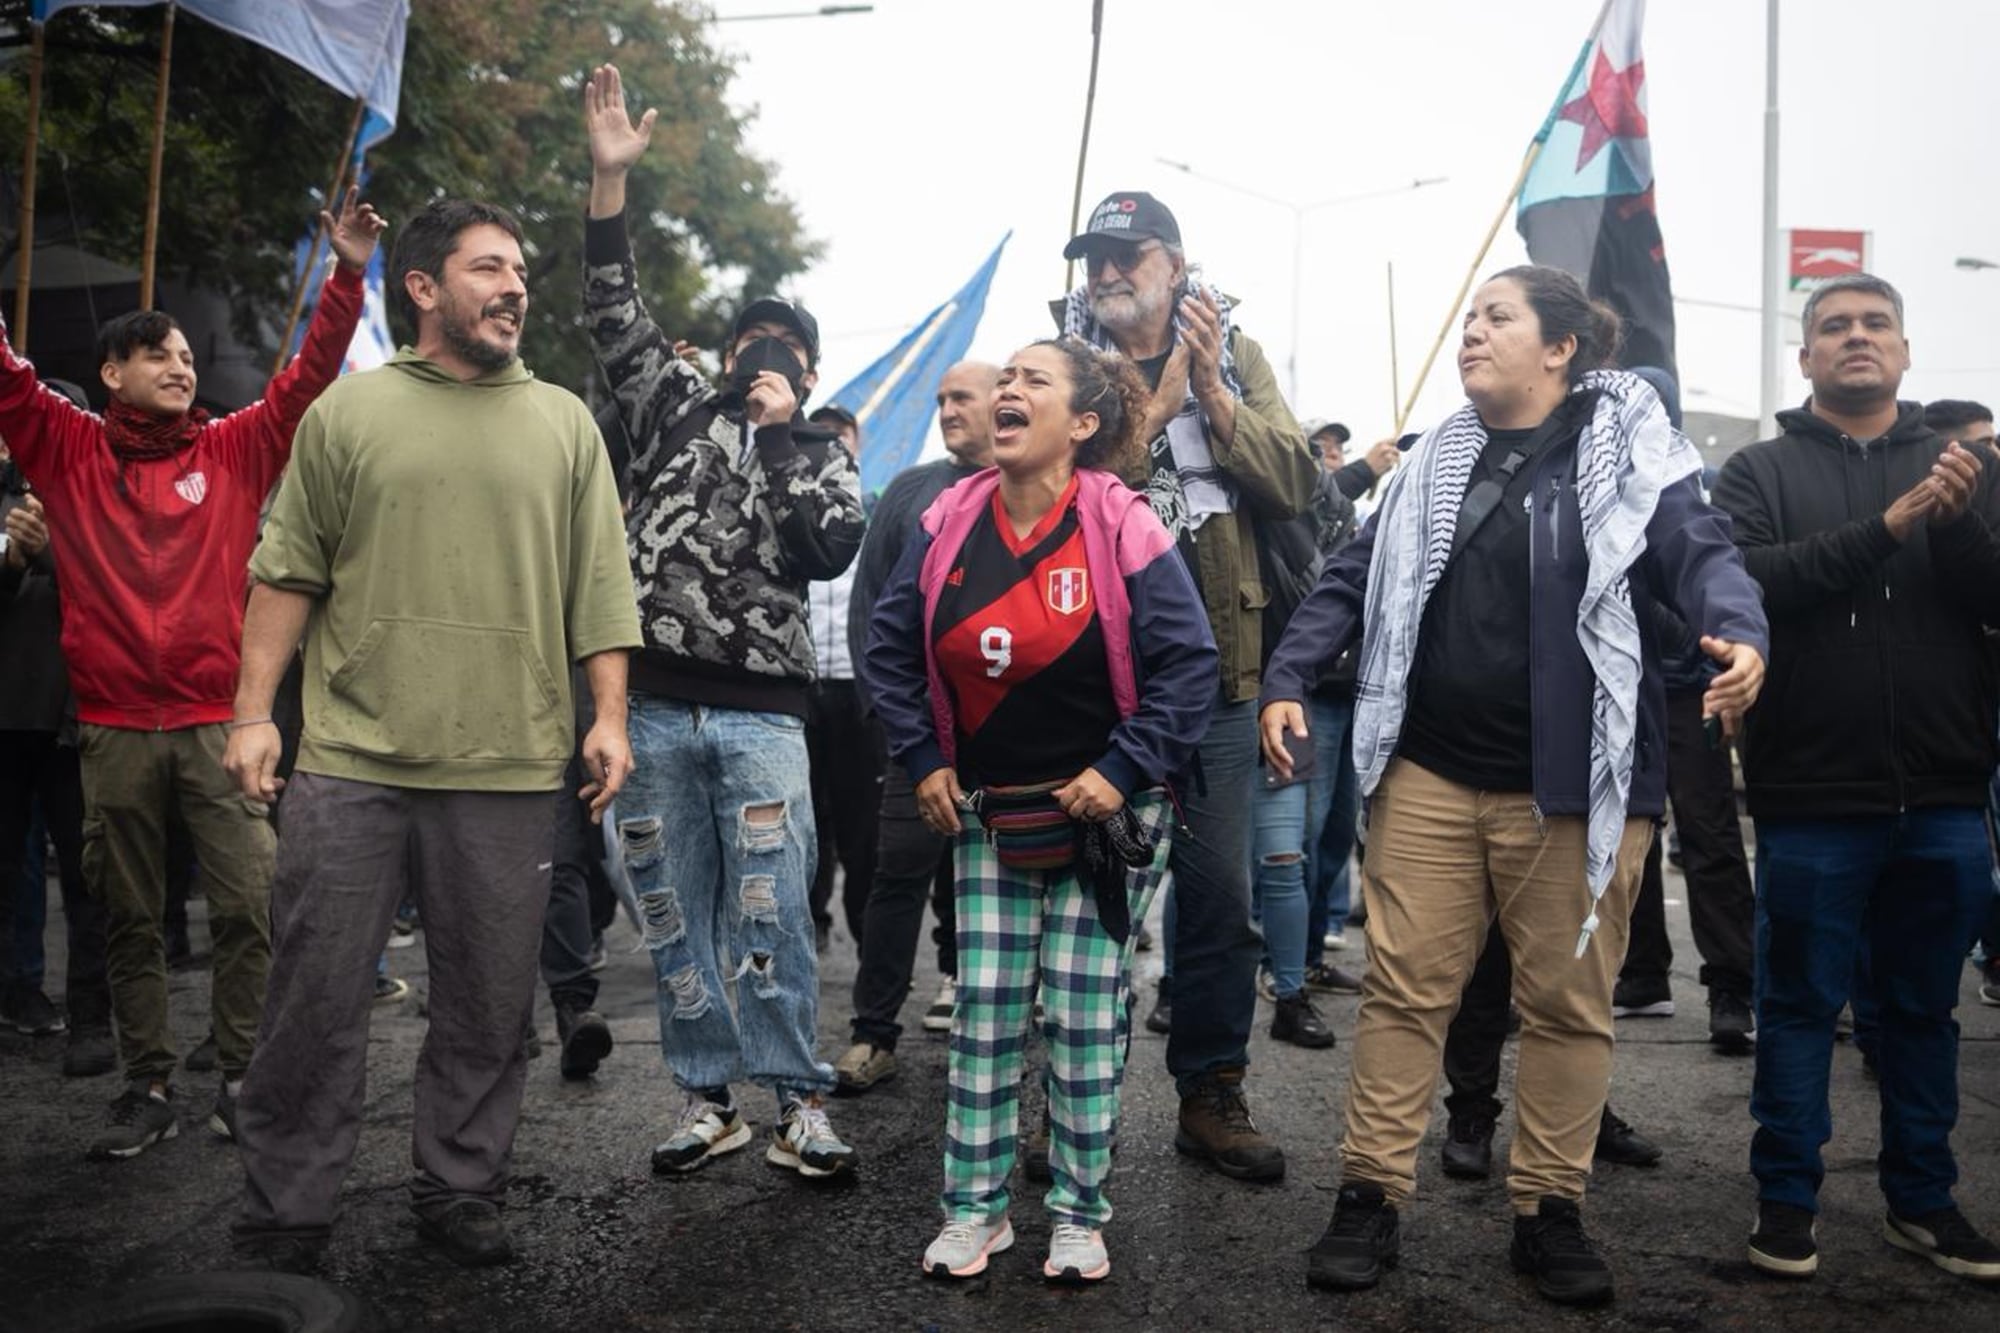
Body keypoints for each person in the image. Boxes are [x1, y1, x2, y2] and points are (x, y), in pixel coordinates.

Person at [1261, 265, 1767, 1307]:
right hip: (1428, 779)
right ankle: (1368, 1198)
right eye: (1470, 319)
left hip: (1576, 790)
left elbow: (1699, 554)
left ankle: (1549, 1210)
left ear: (1560, 347)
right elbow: (1349, 581)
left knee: (1567, 1007)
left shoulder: (1632, 457)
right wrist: (1285, 676)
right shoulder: (1429, 463)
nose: (1471, 334)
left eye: (1498, 318)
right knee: (1403, 996)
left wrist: (1740, 631)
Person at [223, 197, 641, 1271]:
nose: (514, 289)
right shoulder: (348, 414)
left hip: (508, 765)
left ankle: (459, 1186)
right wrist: (251, 714)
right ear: (422, 286)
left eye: (520, 274)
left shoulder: (561, 422)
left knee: (488, 1002)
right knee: (312, 996)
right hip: (349, 759)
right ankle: (286, 1208)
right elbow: (286, 573)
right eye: (489, 269)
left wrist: (607, 716)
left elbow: (598, 587)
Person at [0, 189, 381, 1160]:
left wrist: (344, 273)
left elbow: (305, 381)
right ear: (110, 371)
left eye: (185, 353)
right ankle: (148, 1083)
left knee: (253, 903)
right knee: (127, 916)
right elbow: (5, 379)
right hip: (115, 729)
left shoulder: (234, 446)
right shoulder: (66, 447)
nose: (181, 364)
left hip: (222, 724)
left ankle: (242, 1072)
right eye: (157, 353)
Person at [865, 336, 1217, 1285]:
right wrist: (925, 758)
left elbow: (1189, 667)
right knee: (983, 1013)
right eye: (1004, 379)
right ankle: (974, 1213)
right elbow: (889, 647)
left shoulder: (1122, 523)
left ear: (1084, 424)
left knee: (1079, 1010)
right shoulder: (949, 519)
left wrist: (1125, 764)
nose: (1009, 390)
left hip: (1106, 816)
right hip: (990, 814)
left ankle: (1076, 1212)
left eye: (1034, 381)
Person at [584, 65, 864, 1181]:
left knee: (771, 906)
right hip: (649, 702)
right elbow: (611, 312)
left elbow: (828, 547)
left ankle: (798, 1097)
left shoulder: (821, 456)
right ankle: (708, 1098)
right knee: (665, 907)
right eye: (751, 339)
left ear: (807, 371)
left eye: (784, 349)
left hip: (760, 716)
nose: (763, 355)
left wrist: (787, 435)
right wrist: (610, 186)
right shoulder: (669, 407)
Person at [1712, 275, 2000, 1284]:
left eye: (1873, 323)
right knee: (1795, 1007)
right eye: (1832, 327)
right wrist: (1887, 524)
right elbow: (1753, 581)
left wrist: (1953, 521)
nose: (1854, 338)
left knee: (1923, 1014)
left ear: (1905, 350)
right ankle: (1784, 1203)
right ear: (1803, 359)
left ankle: (1920, 1201)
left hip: (1944, 798)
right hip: (1808, 800)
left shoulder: (1966, 465)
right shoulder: (1755, 468)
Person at [1059, 190, 1317, 1182]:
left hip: (1219, 680)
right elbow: (1050, 489)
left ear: (1173, 263)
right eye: (1095, 260)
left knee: (1219, 905)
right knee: (1081, 906)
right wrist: (1147, 415)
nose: (1108, 274)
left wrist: (1210, 390)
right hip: (1092, 685)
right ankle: (1065, 1102)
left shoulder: (1236, 353)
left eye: (1127, 256)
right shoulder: (1064, 367)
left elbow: (1296, 483)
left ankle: (1209, 1093)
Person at [833, 361, 999, 1094]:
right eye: (940, 400)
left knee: (998, 888)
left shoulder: (1039, 490)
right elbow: (871, 611)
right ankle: (874, 1034)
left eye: (961, 396)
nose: (946, 410)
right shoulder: (910, 491)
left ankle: (990, 1036)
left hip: (1013, 743)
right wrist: (893, 720)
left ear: (1006, 400)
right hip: (918, 740)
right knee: (896, 877)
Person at [1, 434, 112, 1076]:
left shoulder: (98, 499)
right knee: (7, 870)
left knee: (87, 875)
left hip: (79, 719)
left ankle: (92, 1017)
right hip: (8, 717)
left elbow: (113, 586)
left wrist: (48, 555)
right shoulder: (9, 499)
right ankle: (17, 989)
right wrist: (11, 562)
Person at [804, 402, 882, 955]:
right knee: (805, 818)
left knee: (864, 825)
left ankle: (870, 940)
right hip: (800, 691)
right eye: (821, 434)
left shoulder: (879, 512)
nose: (832, 443)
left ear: (857, 445)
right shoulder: (789, 508)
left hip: (860, 693)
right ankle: (808, 925)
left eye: (841, 435)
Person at [1306, 417, 1400, 502]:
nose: (1334, 453)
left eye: (1339, 447)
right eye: (1322, 443)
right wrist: (1366, 468)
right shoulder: (1296, 493)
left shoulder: (1348, 514)